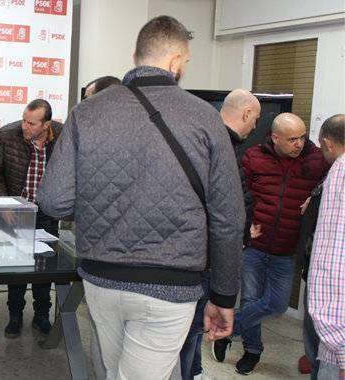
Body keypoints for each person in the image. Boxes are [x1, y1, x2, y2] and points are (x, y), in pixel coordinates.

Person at [38, 15, 244, 379]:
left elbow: (54, 200)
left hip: (101, 279)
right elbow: (227, 217)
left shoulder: (86, 113)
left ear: (135, 56)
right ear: (177, 61)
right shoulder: (205, 118)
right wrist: (224, 296)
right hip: (172, 286)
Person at [213, 112, 329, 375]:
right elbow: (237, 193)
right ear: (275, 137)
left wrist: (316, 193)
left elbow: (337, 177)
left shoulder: (317, 159)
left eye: (302, 137)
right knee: (251, 298)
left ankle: (226, 331)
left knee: (276, 303)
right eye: (292, 139)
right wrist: (245, 225)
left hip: (287, 250)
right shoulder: (253, 156)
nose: (299, 143)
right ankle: (252, 350)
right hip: (255, 245)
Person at [176, 89, 260, 380]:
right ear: (247, 113)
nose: (255, 127)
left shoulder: (204, 138)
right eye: (256, 119)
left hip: (199, 253)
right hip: (207, 256)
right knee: (191, 330)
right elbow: (223, 208)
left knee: (196, 328)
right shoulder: (223, 145)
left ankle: (196, 372)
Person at [0, 99, 62, 338]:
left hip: (47, 212)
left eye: (31, 123)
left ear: (46, 124)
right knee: (15, 267)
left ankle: (41, 315)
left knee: (45, 267)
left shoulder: (62, 135)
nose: (25, 127)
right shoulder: (7, 135)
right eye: (24, 120)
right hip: (15, 212)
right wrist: (6, 202)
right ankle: (15, 315)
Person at [300, 114, 344, 379]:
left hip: (338, 338)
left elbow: (334, 261)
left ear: (327, 143)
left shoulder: (340, 174)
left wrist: (340, 348)